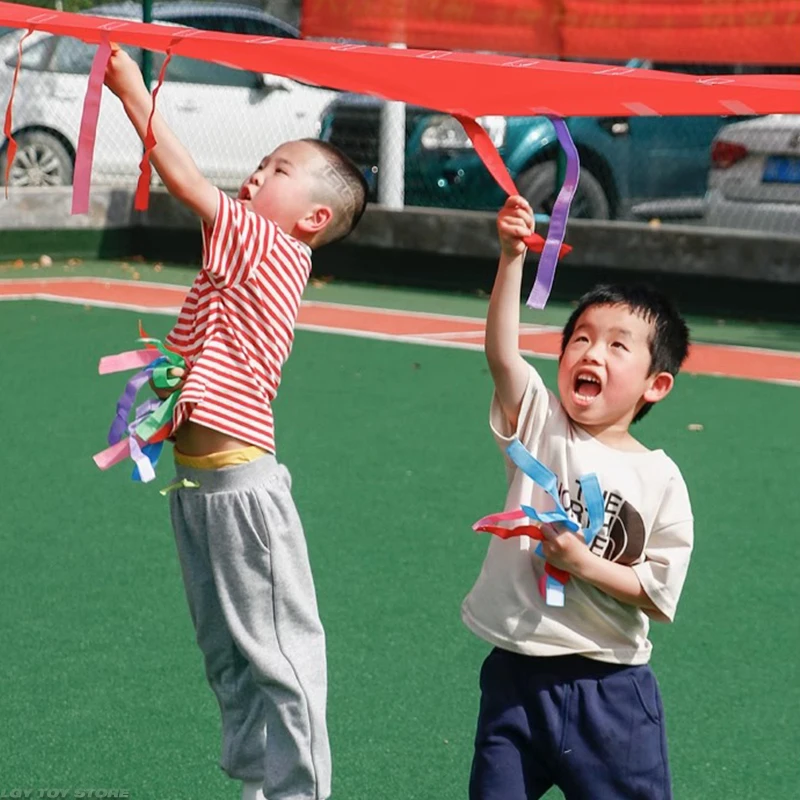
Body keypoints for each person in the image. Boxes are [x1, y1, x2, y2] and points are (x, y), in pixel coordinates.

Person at [104, 46, 368, 800]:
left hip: (245, 497)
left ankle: (300, 795)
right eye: (262, 163)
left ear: (313, 219)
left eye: (279, 169)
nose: (257, 174)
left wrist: (130, 86)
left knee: (283, 658)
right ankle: (259, 787)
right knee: (228, 658)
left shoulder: (273, 249)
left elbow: (184, 179)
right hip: (198, 496)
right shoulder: (236, 253)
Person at [462, 195, 694, 799]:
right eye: (581, 338)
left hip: (610, 691)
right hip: (515, 676)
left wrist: (581, 563)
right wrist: (512, 257)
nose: (592, 352)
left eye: (619, 346)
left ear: (656, 384)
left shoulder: (661, 479)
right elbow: (502, 355)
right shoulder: (541, 421)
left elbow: (658, 594)